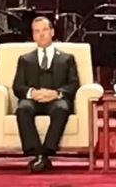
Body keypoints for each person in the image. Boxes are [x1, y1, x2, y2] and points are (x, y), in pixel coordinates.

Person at [12, 16, 79, 173]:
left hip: (56, 99)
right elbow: (18, 86)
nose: (41, 34)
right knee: (22, 108)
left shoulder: (67, 58)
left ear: (52, 32)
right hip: (33, 100)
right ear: (33, 35)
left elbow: (73, 84)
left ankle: (46, 152)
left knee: (61, 108)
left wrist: (56, 93)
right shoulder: (25, 59)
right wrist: (32, 93)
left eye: (44, 30)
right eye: (37, 31)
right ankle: (38, 153)